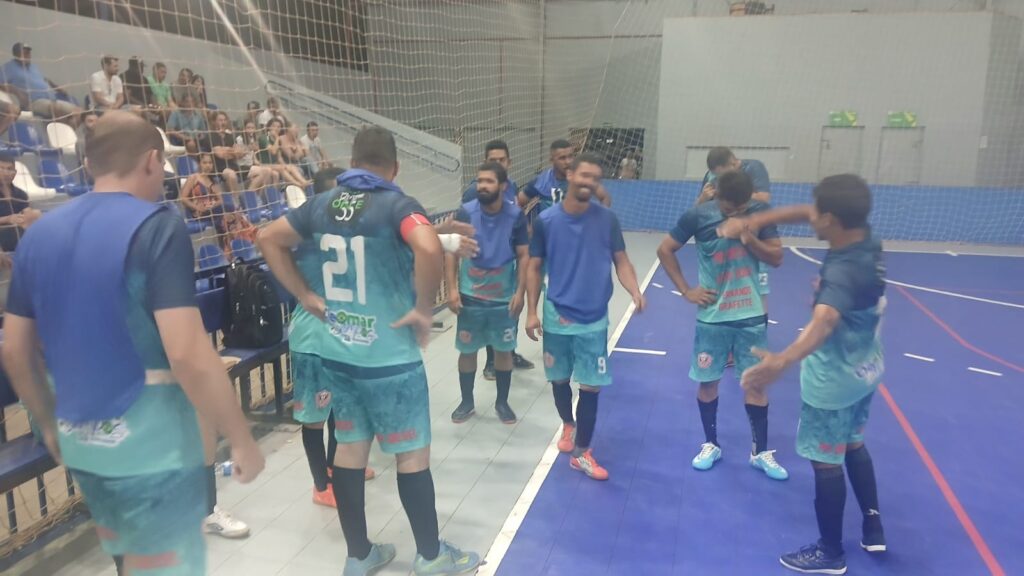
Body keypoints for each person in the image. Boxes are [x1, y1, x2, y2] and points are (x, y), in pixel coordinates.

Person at [2, 111, 265, 575]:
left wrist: (46, 423)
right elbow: (186, 353)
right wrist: (241, 438)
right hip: (148, 439)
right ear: (152, 160)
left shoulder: (38, 233)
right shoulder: (157, 226)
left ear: (89, 164)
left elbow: (15, 349)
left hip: (82, 438)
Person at [257, 125, 481, 575]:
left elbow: (266, 237)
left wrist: (304, 295)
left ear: (353, 162)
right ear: (394, 168)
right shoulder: (398, 205)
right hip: (390, 359)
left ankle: (358, 555)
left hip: (339, 353)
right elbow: (424, 244)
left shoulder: (321, 204)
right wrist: (423, 307)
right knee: (411, 454)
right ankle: (430, 556)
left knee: (350, 450)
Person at [720, 174, 887, 575]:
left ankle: (830, 552)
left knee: (825, 462)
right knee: (853, 444)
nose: (811, 217)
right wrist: (754, 221)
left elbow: (825, 319)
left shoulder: (842, 271)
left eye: (818, 213)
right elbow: (802, 212)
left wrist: (781, 361)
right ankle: (873, 525)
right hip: (865, 370)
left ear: (831, 219)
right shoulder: (865, 240)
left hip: (832, 382)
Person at [656, 170, 788, 481]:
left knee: (755, 384)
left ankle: (760, 452)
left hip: (751, 316)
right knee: (708, 382)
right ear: (718, 196)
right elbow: (665, 249)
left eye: (741, 207)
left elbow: (776, 257)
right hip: (712, 318)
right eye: (730, 208)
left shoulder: (760, 214)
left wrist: (747, 235)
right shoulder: (699, 215)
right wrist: (686, 290)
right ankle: (711, 445)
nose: (735, 212)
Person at [525, 153, 644, 481]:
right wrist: (531, 311)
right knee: (560, 379)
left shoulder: (607, 220)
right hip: (557, 316)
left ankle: (582, 453)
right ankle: (568, 423)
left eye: (595, 178)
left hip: (593, 318)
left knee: (591, 386)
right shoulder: (547, 221)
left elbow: (621, 260)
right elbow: (534, 267)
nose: (588, 183)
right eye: (584, 176)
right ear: (570, 176)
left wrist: (634, 290)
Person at [448, 161, 528, 425]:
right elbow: (452, 251)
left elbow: (524, 255)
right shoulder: (466, 212)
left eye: (489, 181)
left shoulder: (515, 216)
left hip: (503, 299)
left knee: (503, 351)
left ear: (502, 186)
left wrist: (520, 292)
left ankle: (502, 402)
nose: (482, 185)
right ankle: (466, 402)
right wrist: (452, 289)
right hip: (470, 297)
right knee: (467, 350)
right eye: (480, 180)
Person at [459, 139, 532, 378]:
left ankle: (508, 352)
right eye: (493, 160)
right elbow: (466, 228)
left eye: (501, 160)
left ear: (509, 162)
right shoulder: (474, 193)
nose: (498, 163)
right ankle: (491, 362)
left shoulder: (510, 187)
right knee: (485, 319)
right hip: (480, 274)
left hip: (507, 267)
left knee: (509, 313)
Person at [519, 139, 611, 217]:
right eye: (562, 158)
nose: (568, 162)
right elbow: (518, 203)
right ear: (552, 160)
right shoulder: (540, 182)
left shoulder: (582, 178)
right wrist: (525, 226)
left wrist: (599, 219)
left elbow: (604, 197)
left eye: (570, 156)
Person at [0, 43, 81, 126]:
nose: (28, 55)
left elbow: (45, 80)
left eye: (28, 53)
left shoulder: (33, 67)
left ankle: (66, 131)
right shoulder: (8, 67)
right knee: (55, 108)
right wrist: (15, 91)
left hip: (52, 99)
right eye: (25, 53)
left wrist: (58, 88)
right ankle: (58, 131)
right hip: (33, 102)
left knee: (79, 112)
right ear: (16, 54)